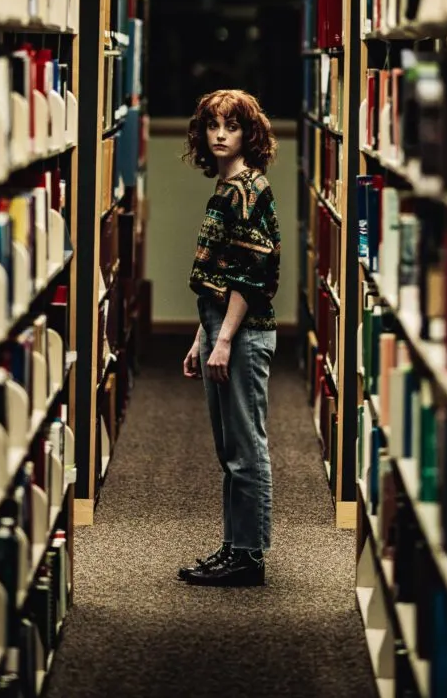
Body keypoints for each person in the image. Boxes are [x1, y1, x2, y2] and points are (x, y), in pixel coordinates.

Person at [178, 88, 280, 587]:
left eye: (232, 126)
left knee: (246, 451)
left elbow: (252, 274)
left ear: (249, 134)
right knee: (230, 452)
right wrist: (203, 336)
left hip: (243, 333)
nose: (220, 134)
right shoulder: (229, 186)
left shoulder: (246, 189)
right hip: (222, 328)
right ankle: (235, 545)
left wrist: (222, 341)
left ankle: (250, 557)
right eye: (212, 125)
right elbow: (221, 271)